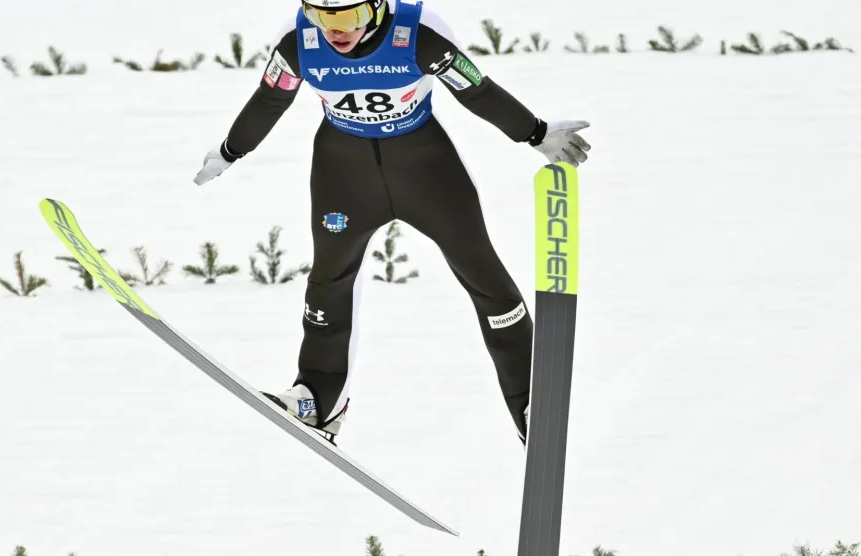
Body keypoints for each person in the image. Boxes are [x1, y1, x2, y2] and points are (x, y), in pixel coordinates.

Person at [193, 0, 591, 445]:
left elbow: (475, 89)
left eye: (347, 17)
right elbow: (271, 98)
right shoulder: (298, 40)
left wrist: (534, 132)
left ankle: (530, 400)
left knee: (483, 274)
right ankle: (317, 397)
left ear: (378, 8)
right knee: (328, 280)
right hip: (344, 173)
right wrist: (230, 150)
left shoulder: (418, 31)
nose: (334, 30)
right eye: (323, 16)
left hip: (425, 169)